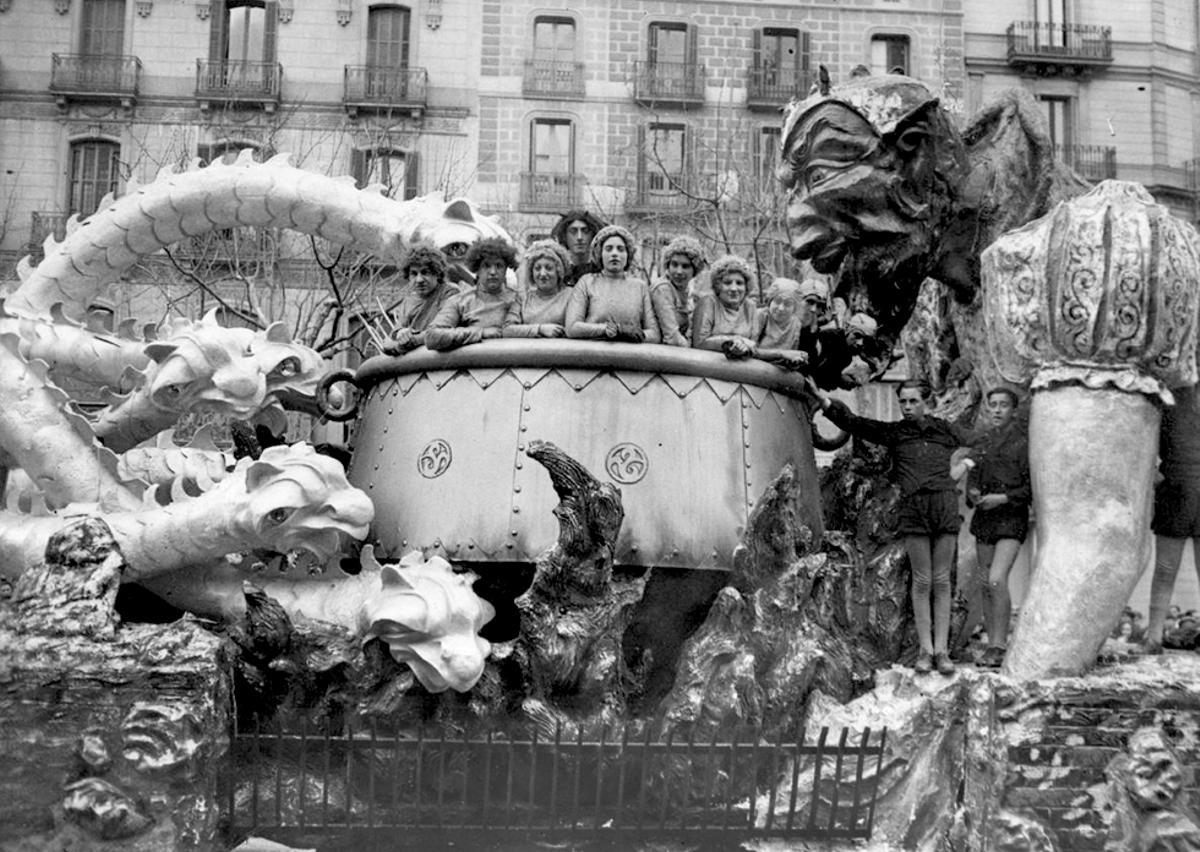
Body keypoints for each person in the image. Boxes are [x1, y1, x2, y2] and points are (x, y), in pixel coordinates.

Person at [809, 378, 981, 675]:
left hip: (944, 507)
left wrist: (964, 468)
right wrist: (823, 401)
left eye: (914, 401)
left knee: (942, 581)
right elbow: (856, 423)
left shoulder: (944, 430)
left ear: (927, 402)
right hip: (913, 509)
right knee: (922, 580)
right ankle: (925, 652)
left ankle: (942, 652)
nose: (908, 407)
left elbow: (981, 443)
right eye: (903, 401)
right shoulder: (897, 432)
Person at [963, 387, 1030, 669]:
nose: (998, 410)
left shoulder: (1024, 443)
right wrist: (974, 494)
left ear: (1014, 410)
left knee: (996, 579)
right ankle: (992, 644)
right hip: (985, 518)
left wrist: (1003, 498)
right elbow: (972, 480)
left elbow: (1032, 488)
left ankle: (1001, 645)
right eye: (993, 405)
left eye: (1004, 405)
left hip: (1011, 517)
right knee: (984, 584)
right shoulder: (982, 441)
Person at [1143, 386, 1200, 654]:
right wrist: (1152, 470)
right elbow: (1147, 432)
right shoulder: (1172, 394)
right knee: (1165, 569)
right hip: (1175, 485)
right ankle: (1153, 637)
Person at [564, 225, 660, 343]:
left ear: (628, 254)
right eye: (609, 249)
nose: (614, 254)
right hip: (592, 354)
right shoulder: (586, 282)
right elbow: (572, 327)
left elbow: (654, 334)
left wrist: (626, 333)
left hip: (632, 357)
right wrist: (606, 329)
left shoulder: (640, 286)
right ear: (600, 254)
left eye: (620, 249)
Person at [424, 237, 518, 351]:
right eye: (486, 266)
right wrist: (479, 333)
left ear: (506, 269)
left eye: (499, 266)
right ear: (476, 269)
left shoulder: (518, 300)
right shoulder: (460, 301)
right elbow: (432, 336)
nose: (493, 272)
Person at [381, 244, 460, 355]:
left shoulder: (449, 293)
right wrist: (401, 333)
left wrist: (406, 342)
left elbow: (442, 331)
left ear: (437, 273)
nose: (419, 280)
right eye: (414, 274)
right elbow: (395, 333)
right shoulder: (408, 301)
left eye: (425, 272)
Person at [502, 239, 573, 338]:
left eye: (549, 268)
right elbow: (507, 330)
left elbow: (576, 327)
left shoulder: (572, 295)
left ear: (559, 271)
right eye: (537, 268)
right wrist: (539, 329)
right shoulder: (523, 298)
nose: (542, 274)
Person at [691, 255, 757, 352]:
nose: (734, 288)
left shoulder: (750, 306)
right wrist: (733, 341)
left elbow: (753, 342)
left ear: (746, 286)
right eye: (727, 283)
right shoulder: (708, 302)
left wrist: (746, 346)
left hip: (742, 363)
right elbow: (699, 342)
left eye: (739, 283)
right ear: (718, 285)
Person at [651, 235, 706, 347]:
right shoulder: (663, 288)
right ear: (668, 265)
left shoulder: (687, 291)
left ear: (694, 270)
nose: (679, 271)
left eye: (685, 266)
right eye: (674, 264)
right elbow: (672, 336)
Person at [550, 210, 607, 286]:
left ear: (593, 235)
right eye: (573, 231)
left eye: (585, 231)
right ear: (564, 236)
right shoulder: (558, 273)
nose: (579, 237)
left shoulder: (604, 273)